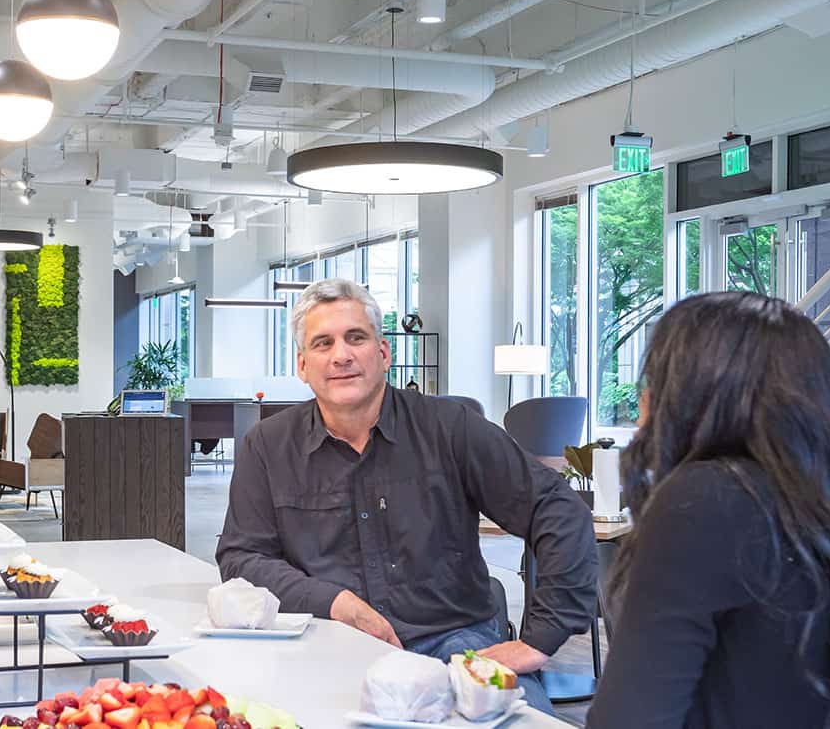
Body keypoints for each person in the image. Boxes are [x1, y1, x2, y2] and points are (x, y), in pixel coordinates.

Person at [216, 278, 597, 714]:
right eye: (323, 344)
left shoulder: (451, 428)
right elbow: (242, 558)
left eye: (355, 338)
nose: (341, 355)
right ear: (303, 365)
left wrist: (538, 641)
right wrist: (336, 603)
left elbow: (558, 509)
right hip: (329, 643)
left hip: (457, 645)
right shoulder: (267, 446)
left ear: (383, 354)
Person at [586, 292, 830, 729]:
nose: (644, 404)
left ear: (693, 397)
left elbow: (629, 719)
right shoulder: (828, 511)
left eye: (656, 383)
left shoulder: (704, 501)